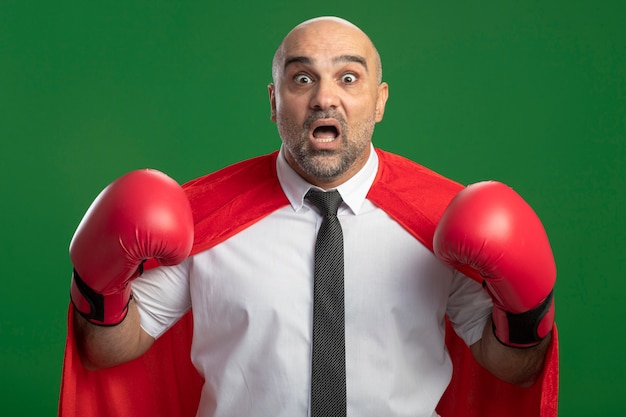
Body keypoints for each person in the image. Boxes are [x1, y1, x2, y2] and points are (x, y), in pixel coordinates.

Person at [60, 16, 558, 417]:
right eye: (302, 78)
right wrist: (99, 288)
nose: (324, 97)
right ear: (275, 102)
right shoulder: (205, 218)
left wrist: (525, 312)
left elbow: (511, 369)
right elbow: (108, 351)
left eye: (348, 77)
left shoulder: (436, 219)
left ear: (379, 101)